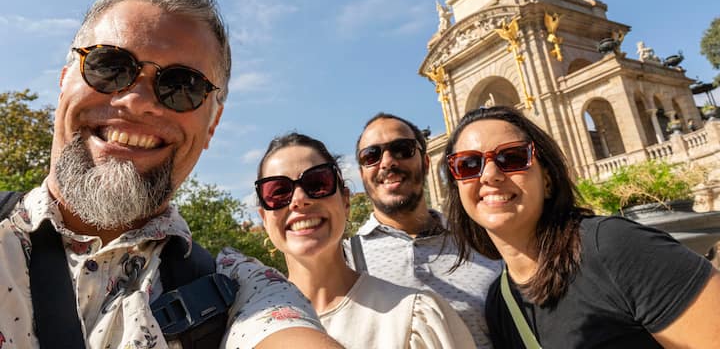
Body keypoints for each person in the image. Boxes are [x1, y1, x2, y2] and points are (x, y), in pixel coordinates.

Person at [0, 0, 341, 349]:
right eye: (109, 66)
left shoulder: (243, 294)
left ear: (212, 125)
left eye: (182, 86)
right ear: (64, 80)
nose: (137, 101)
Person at [443, 105, 720, 348]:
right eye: (468, 164)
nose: (490, 174)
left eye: (512, 157)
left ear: (547, 179)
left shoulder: (616, 248)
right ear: (458, 190)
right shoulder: (500, 302)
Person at [256, 132, 474, 349]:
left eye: (317, 183)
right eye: (278, 192)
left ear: (345, 201)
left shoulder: (412, 319)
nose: (299, 199)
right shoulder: (248, 328)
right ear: (264, 218)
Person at [348, 113, 502, 348]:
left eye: (402, 149)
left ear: (426, 163)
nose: (387, 162)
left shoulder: (482, 242)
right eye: (371, 155)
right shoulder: (346, 259)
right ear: (362, 174)